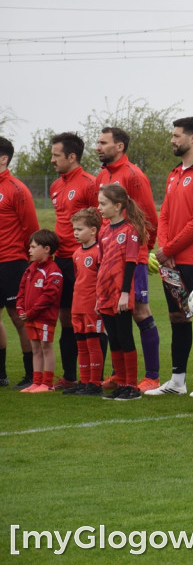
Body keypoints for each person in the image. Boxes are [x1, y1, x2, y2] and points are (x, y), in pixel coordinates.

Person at [147, 117, 193, 397]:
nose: (172, 140)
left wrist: (170, 249)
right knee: (178, 317)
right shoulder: (174, 173)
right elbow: (164, 214)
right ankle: (177, 381)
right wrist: (164, 249)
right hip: (172, 260)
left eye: (177, 136)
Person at [96, 127, 161, 391]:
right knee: (113, 313)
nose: (98, 146)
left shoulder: (134, 175)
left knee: (140, 312)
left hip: (133, 257)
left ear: (120, 146)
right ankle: (120, 375)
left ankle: (152, 376)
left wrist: (142, 252)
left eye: (103, 142)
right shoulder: (102, 175)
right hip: (109, 257)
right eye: (97, 142)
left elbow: (149, 220)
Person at [49, 132, 98, 389]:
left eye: (57, 155)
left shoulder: (90, 183)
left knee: (91, 317)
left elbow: (99, 222)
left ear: (72, 156)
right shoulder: (56, 186)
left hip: (87, 261)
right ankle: (70, 376)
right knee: (66, 318)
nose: (52, 160)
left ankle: (95, 377)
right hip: (62, 260)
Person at [95, 183, 148, 401]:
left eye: (103, 203)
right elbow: (101, 265)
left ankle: (132, 387)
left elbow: (130, 264)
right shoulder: (104, 231)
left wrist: (125, 293)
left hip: (120, 294)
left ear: (117, 206)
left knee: (125, 337)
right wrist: (99, 296)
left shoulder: (130, 231)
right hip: (105, 294)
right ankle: (121, 383)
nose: (99, 208)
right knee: (114, 339)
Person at [0, 136, 40, 389]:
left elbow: (31, 230)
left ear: (3, 159)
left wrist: (30, 262)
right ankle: (1, 374)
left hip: (13, 262)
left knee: (18, 317)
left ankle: (30, 374)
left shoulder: (16, 189)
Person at [63, 208, 105, 396]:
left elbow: (102, 281)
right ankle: (84, 381)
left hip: (92, 306)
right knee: (80, 343)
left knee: (92, 343)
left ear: (94, 230)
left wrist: (99, 301)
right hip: (77, 305)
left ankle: (95, 383)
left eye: (80, 229)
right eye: (74, 229)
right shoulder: (76, 253)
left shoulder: (99, 252)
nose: (75, 233)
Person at [15, 230, 64, 392]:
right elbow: (21, 290)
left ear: (47, 249)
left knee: (45, 347)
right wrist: (21, 308)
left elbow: (48, 297)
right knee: (35, 348)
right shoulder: (30, 268)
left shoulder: (53, 271)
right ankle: (36, 382)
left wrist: (31, 312)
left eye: (33, 247)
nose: (29, 250)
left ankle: (48, 383)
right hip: (29, 317)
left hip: (44, 318)